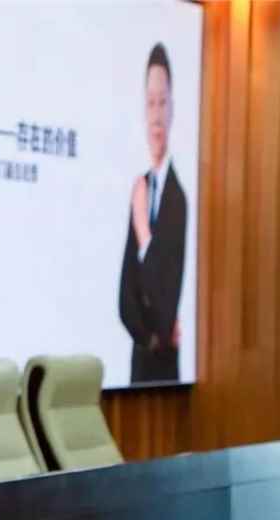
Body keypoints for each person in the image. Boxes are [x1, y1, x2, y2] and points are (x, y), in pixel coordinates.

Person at [119, 43, 187, 384]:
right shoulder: (141, 188)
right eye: (150, 103)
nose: (156, 115)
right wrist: (147, 337)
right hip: (139, 363)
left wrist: (144, 231)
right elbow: (125, 293)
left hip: (165, 372)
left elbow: (165, 300)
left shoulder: (178, 199)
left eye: (162, 102)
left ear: (172, 108)